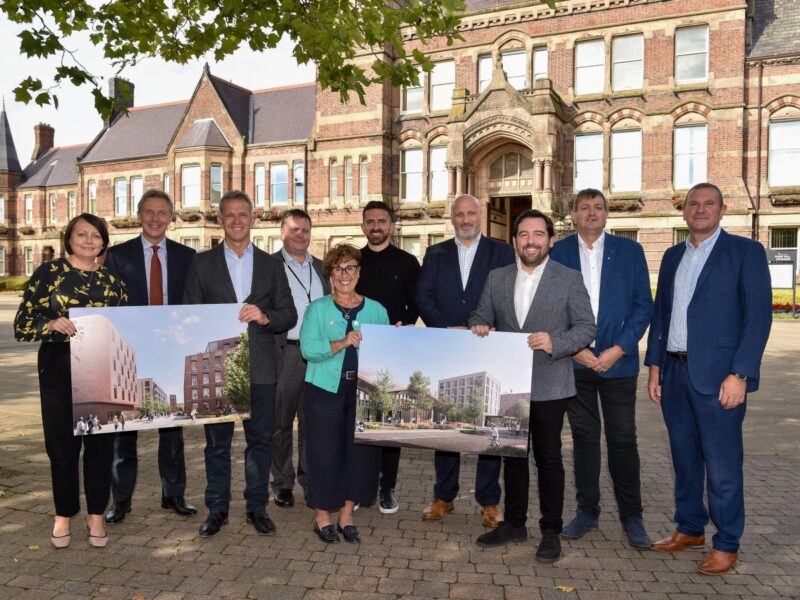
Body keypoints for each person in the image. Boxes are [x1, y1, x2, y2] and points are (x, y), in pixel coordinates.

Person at [645, 183, 772, 575]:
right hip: (675, 373)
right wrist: (654, 366)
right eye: (693, 204)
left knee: (722, 465)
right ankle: (690, 528)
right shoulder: (671, 256)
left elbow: (758, 318)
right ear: (683, 211)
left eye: (708, 204)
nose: (700, 210)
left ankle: (727, 542)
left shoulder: (745, 252)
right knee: (683, 458)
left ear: (722, 209)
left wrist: (740, 374)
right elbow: (661, 315)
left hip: (720, 377)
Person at [468, 209, 596, 562]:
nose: (530, 241)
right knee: (513, 457)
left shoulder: (567, 279)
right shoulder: (497, 278)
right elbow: (481, 316)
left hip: (551, 383)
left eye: (538, 234)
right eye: (523, 235)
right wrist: (480, 327)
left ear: (551, 240)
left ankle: (551, 530)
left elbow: (586, 327)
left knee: (549, 458)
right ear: (514, 241)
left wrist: (556, 341)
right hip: (511, 383)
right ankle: (514, 523)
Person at [183, 190, 297, 537]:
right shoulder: (201, 263)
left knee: (259, 441)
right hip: (216, 369)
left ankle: (256, 507)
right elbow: (189, 315)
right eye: (229, 215)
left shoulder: (272, 264)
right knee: (216, 443)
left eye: (242, 215)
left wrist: (264, 316)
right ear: (221, 220)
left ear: (253, 219)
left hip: (261, 367)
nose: (236, 221)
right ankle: (217, 508)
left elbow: (288, 314)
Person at [14, 213, 128, 549]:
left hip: (101, 368)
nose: (89, 241)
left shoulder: (114, 281)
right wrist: (50, 324)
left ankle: (96, 517)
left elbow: (124, 326)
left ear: (104, 242)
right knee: (62, 449)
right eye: (82, 234)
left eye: (96, 235)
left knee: (100, 449)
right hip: (58, 367)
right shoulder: (48, 273)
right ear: (69, 238)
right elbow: (22, 324)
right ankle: (63, 516)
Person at [550, 188, 653, 549]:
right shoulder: (558, 253)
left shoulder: (630, 251)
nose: (591, 213)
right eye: (584, 208)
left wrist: (618, 349)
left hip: (618, 365)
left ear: (607, 214)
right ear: (574, 215)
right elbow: (549, 306)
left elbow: (644, 307)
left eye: (597, 207)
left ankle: (632, 516)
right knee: (584, 439)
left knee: (623, 440)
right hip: (575, 365)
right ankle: (587, 512)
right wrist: (574, 347)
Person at [416, 194, 515, 527]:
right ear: (452, 217)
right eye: (459, 214)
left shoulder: (502, 252)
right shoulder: (435, 253)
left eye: (472, 213)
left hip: (488, 344)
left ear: (481, 216)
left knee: (488, 426)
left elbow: (509, 295)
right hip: (447, 346)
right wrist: (446, 328)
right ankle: (444, 496)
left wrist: (488, 323)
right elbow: (423, 296)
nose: (466, 219)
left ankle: (489, 502)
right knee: (448, 424)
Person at [103, 189, 198, 525]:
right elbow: (109, 306)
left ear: (172, 217)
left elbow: (195, 304)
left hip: (170, 347)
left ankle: (174, 495)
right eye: (149, 212)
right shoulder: (117, 256)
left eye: (162, 213)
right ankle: (121, 501)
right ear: (139, 214)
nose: (155, 219)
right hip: (129, 351)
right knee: (123, 433)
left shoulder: (188, 256)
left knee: (172, 431)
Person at [300, 244, 389, 543]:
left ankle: (347, 515)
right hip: (324, 391)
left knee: (359, 455)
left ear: (359, 271)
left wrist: (396, 340)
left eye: (350, 267)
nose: (345, 274)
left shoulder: (377, 310)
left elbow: (387, 355)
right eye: (338, 269)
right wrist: (341, 342)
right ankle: (322, 516)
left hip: (364, 395)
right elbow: (308, 350)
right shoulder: (317, 309)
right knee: (324, 455)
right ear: (330, 275)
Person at [355, 200, 421, 514]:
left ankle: (387, 488)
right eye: (371, 221)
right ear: (363, 225)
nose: (377, 227)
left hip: (394, 348)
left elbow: (416, 303)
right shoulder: (353, 261)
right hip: (356, 348)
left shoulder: (408, 262)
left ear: (391, 226)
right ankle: (357, 488)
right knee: (358, 420)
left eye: (382, 221)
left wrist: (404, 324)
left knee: (388, 422)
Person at [271, 209, 330, 509]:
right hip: (287, 352)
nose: (300, 234)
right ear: (282, 231)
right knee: (280, 422)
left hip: (319, 356)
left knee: (312, 423)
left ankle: (309, 481)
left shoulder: (322, 268)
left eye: (305, 230)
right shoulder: (267, 266)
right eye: (294, 229)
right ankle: (282, 482)